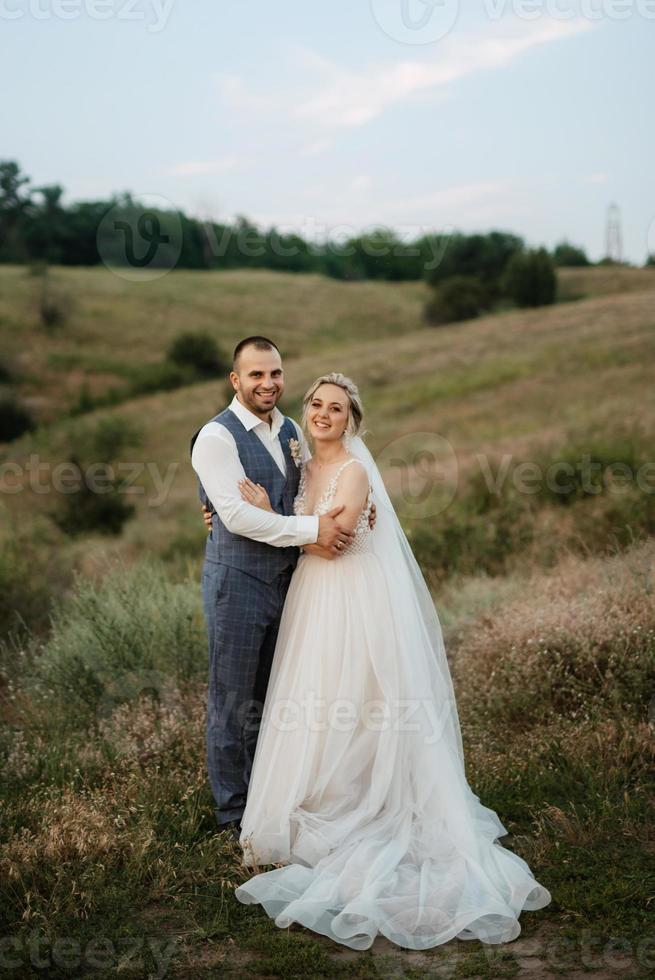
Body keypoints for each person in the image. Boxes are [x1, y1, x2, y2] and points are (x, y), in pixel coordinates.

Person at [232, 372, 552, 951]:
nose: (324, 414)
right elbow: (309, 528)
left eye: (336, 408)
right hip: (312, 597)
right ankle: (312, 802)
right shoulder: (302, 464)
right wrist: (248, 515)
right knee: (316, 699)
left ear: (352, 420)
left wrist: (264, 522)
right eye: (316, 405)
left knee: (355, 698)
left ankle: (365, 804)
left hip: (350, 596)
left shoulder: (354, 471)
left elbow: (336, 539)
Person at [190, 338, 376, 835]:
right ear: (236, 380)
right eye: (255, 375)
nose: (268, 383)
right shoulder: (215, 438)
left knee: (275, 698)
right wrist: (314, 530)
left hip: (291, 584)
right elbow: (235, 515)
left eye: (275, 373)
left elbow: (305, 491)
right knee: (232, 700)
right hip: (239, 583)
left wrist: (353, 509)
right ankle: (232, 813)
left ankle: (269, 797)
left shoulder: (291, 430)